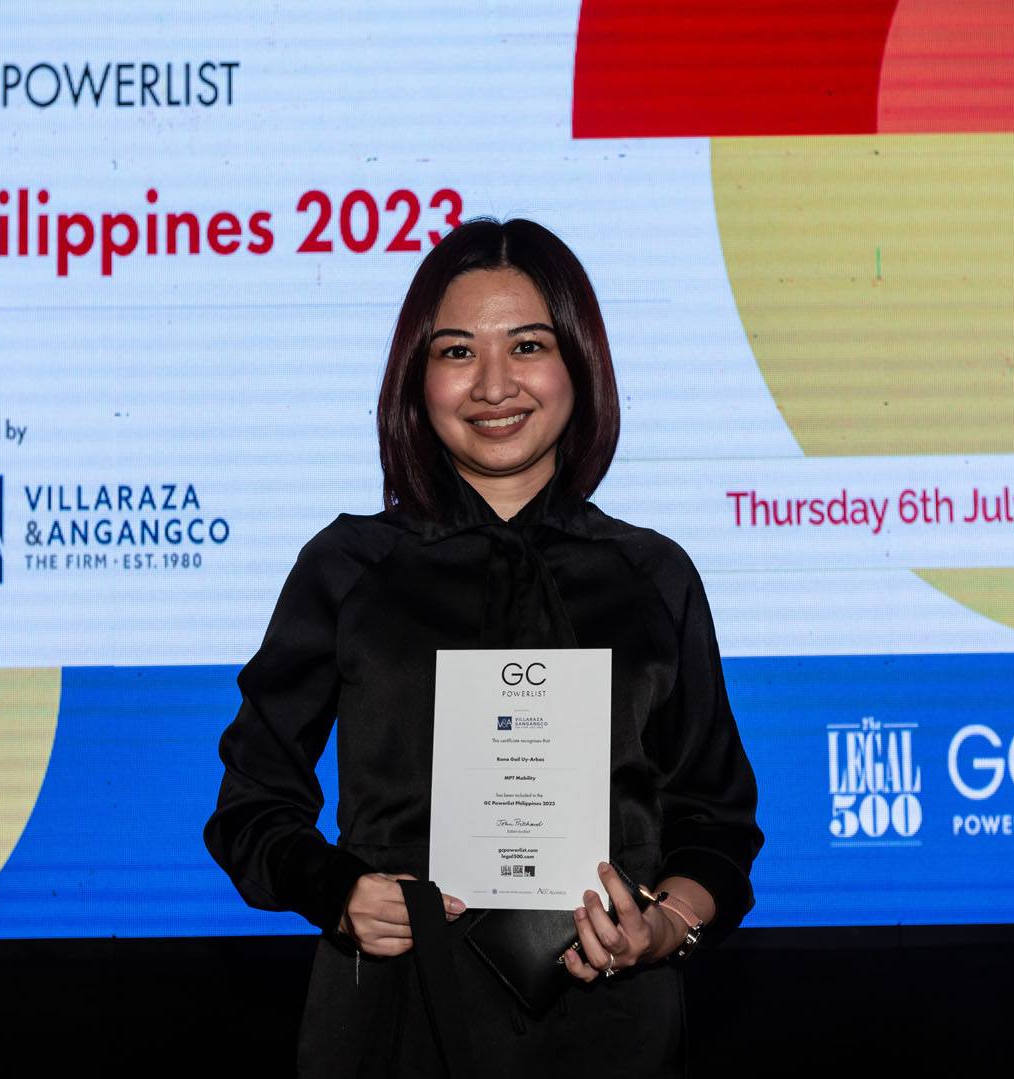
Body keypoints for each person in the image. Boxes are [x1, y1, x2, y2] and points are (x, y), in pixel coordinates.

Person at [204, 217, 762, 1076]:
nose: (494, 384)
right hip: (392, 1021)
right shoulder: (347, 568)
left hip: (610, 1028)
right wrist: (338, 892)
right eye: (457, 351)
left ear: (580, 361)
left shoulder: (653, 576)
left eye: (528, 345)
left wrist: (661, 928)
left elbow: (717, 823)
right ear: (417, 376)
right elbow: (252, 802)